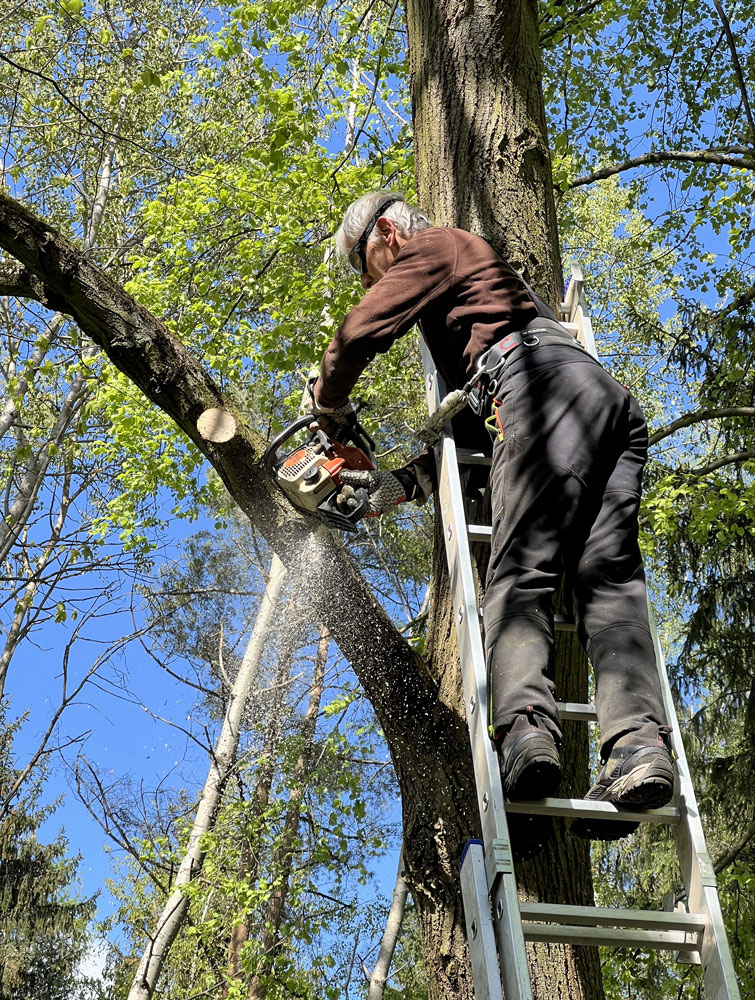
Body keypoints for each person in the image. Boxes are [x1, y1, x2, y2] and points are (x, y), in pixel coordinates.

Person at [309, 190, 674, 843]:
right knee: (607, 587)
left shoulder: (433, 247)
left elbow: (359, 333)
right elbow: (475, 446)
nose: (379, 284)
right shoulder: (485, 304)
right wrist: (389, 488)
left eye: (372, 269)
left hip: (534, 392)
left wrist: (326, 404)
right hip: (599, 403)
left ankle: (527, 733)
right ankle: (637, 750)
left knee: (519, 577)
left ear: (387, 232)